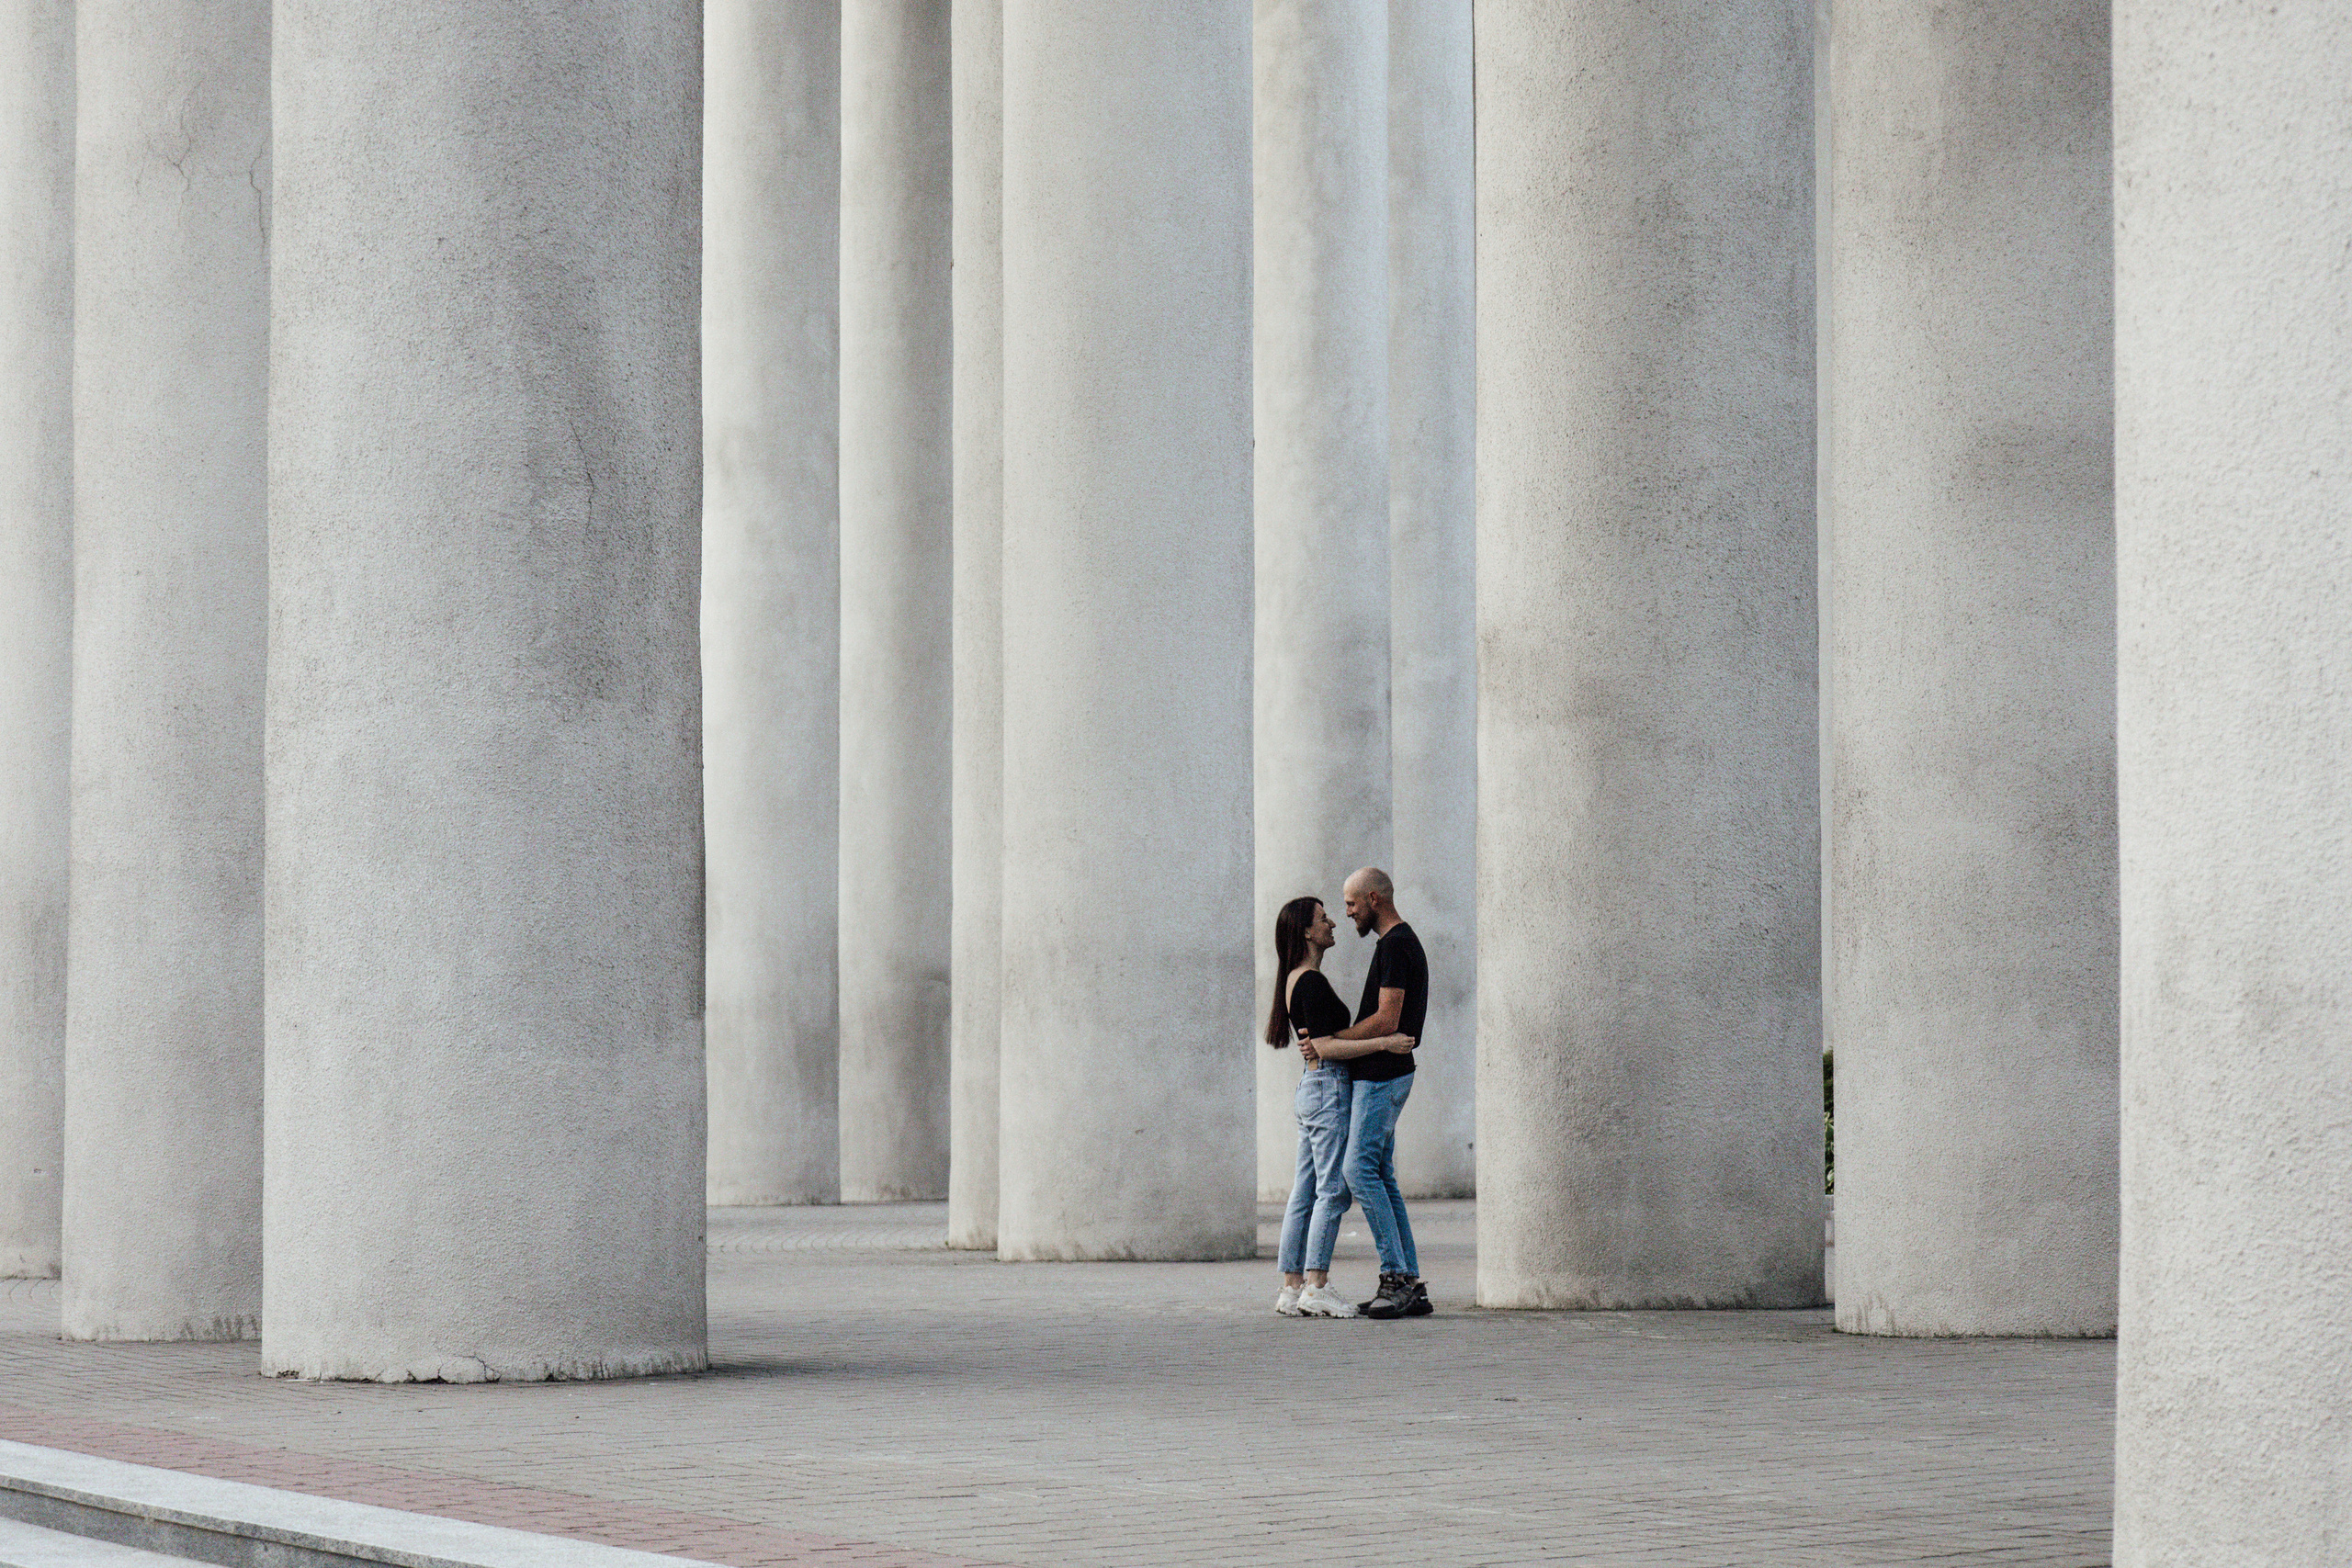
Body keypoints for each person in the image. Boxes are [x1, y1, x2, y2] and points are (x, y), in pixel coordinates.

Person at [1266, 895, 1414, 1318]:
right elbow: (1327, 1047)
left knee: (1305, 1190)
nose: (1333, 922)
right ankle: (1317, 1284)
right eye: (1323, 918)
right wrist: (1385, 1040)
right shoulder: (1309, 981)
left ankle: (1291, 1287)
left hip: (1313, 1089)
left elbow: (1323, 1043)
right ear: (1306, 931)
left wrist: (1333, 1044)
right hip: (1327, 1089)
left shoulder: (1297, 978)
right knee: (1332, 1189)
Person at [1299, 867, 1431, 1319]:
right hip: (1383, 1073)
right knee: (1382, 1176)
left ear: (1374, 899)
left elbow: (1387, 1020)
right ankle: (1409, 1282)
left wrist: (1336, 1041)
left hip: (1382, 1076)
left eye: (1352, 903)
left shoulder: (1396, 945)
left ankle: (1395, 1278)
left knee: (1357, 1170)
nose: (1347, 912)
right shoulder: (1394, 943)